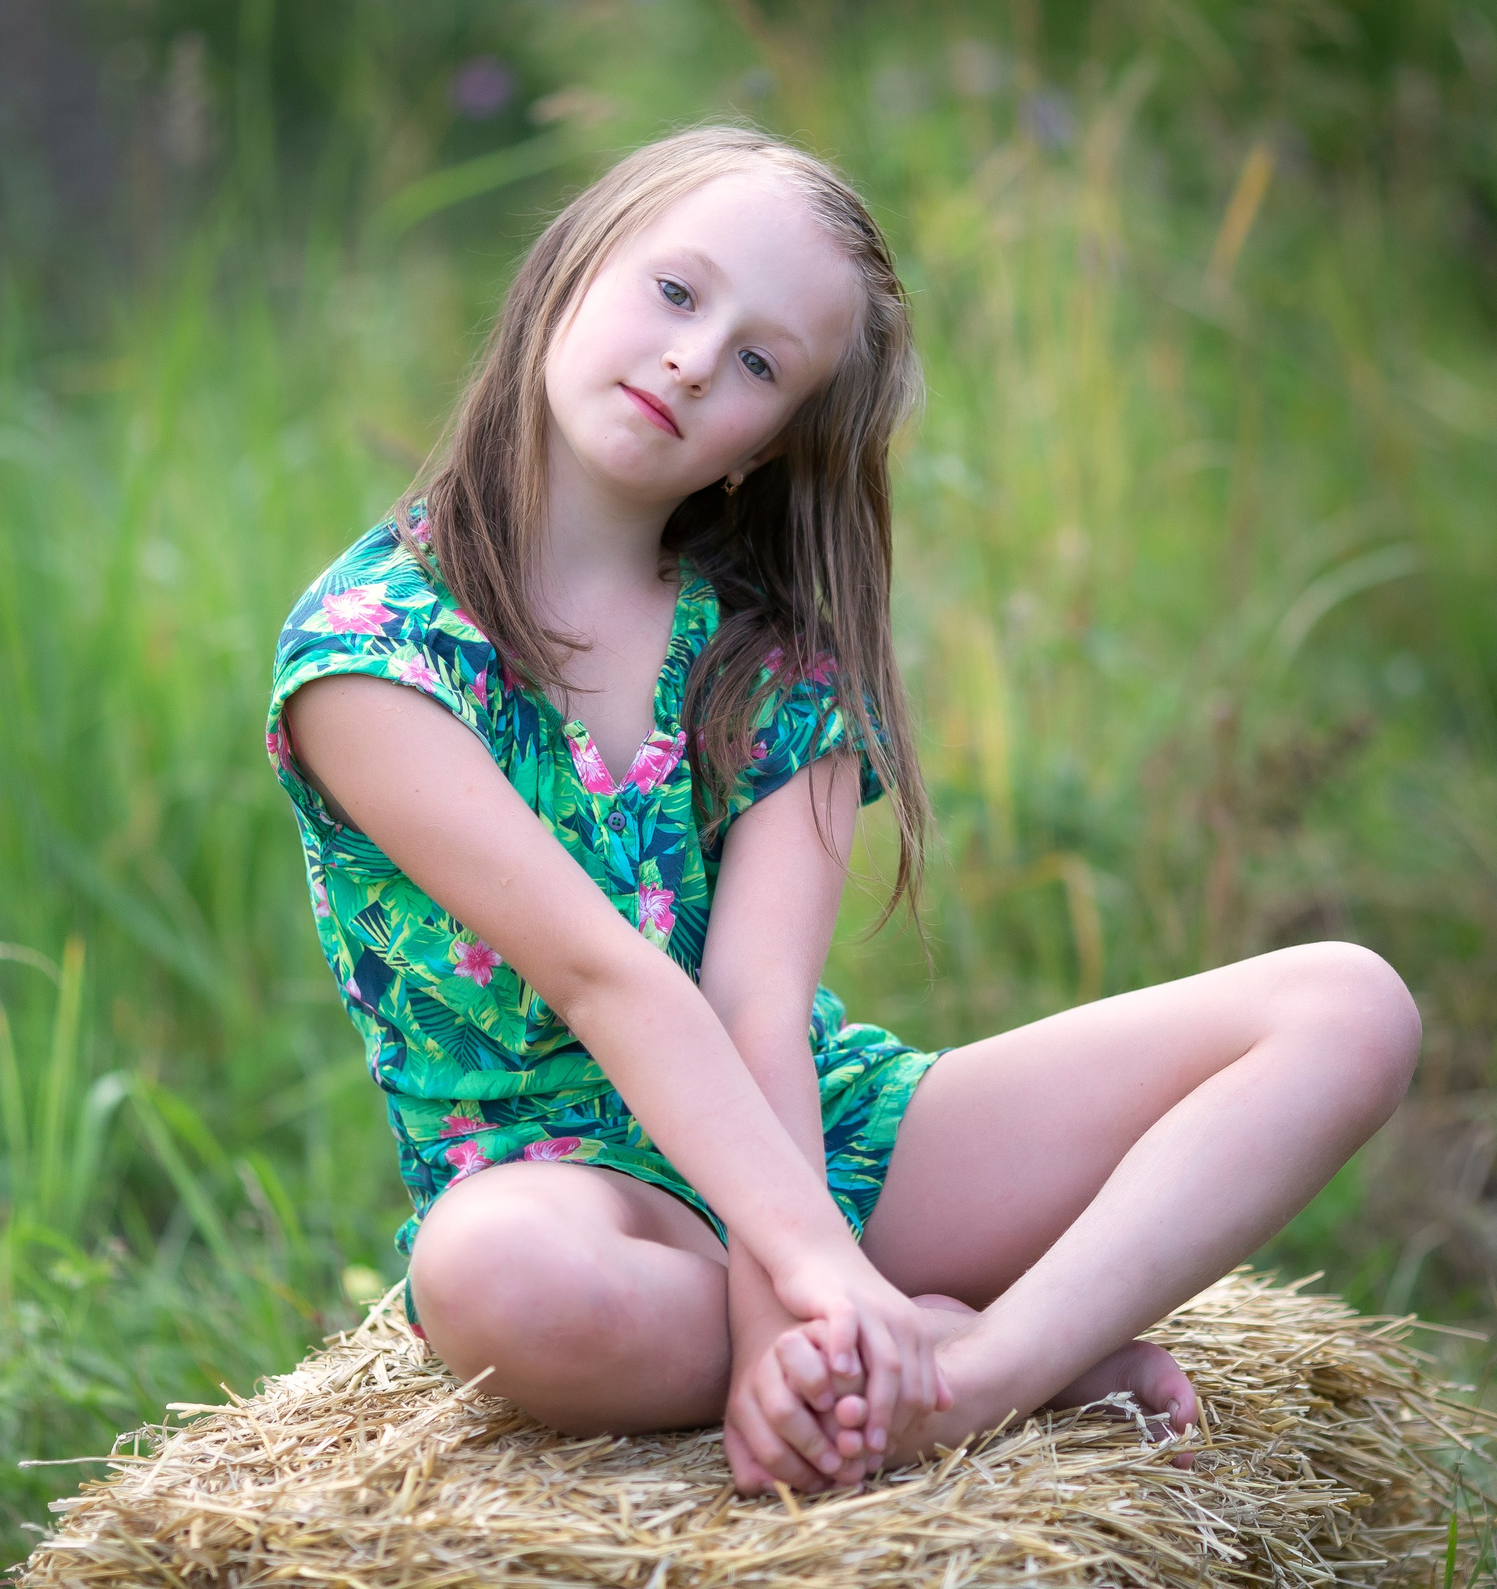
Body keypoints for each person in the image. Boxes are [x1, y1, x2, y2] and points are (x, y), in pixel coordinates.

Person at [265, 124, 1420, 1496]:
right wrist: (803, 1283)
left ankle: (978, 1377)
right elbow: (604, 976)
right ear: (571, 269)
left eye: (759, 363)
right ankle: (895, 1330)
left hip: (823, 1136)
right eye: (677, 293)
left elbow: (760, 1006)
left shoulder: (770, 650)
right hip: (577, 1188)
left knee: (1350, 1006)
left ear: (773, 442)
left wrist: (794, 1286)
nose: (696, 358)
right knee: (490, 1278)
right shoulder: (373, 652)